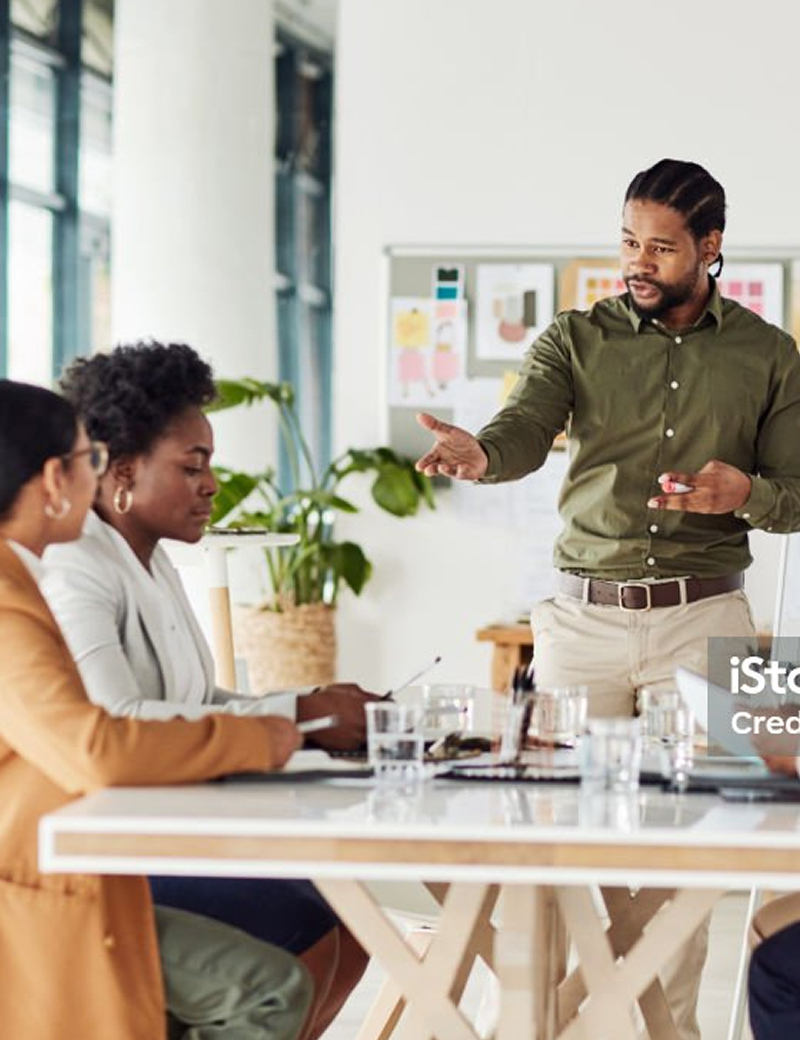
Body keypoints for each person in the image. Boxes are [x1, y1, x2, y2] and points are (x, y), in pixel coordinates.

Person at [416, 158, 800, 1040]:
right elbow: (518, 432)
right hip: (580, 624)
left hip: (710, 617)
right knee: (547, 833)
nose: (638, 260)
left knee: (710, 838)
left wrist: (744, 494)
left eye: (661, 247)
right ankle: (567, 1023)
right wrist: (480, 454)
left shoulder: (769, 355)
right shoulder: (572, 339)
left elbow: (799, 489)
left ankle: (642, 1027)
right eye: (628, 240)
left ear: (710, 248)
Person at [41, 341, 373, 1039]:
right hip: (103, 850)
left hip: (166, 826)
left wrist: (308, 708)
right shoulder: (76, 568)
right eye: (192, 467)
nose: (212, 484)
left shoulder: (149, 559)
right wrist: (299, 720)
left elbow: (199, 698)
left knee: (355, 912)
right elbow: (115, 720)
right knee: (317, 913)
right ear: (123, 472)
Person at [0, 378, 312, 1040]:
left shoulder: (22, 580)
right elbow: (96, 747)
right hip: (31, 888)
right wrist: (260, 740)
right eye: (91, 459)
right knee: (268, 988)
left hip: (66, 865)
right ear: (57, 478)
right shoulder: (8, 600)